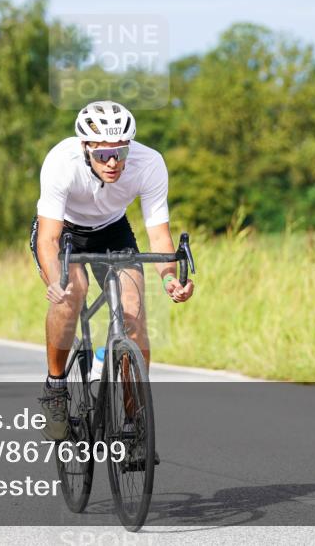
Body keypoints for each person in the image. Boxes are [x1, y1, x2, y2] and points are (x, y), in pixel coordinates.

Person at [31, 101, 195, 441]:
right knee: (71, 293)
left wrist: (168, 277)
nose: (112, 162)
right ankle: (56, 389)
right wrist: (54, 281)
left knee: (133, 315)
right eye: (104, 154)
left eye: (120, 153)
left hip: (113, 229)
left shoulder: (149, 163)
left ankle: (135, 424)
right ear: (86, 147)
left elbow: (159, 235)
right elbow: (48, 238)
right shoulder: (62, 162)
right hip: (66, 233)